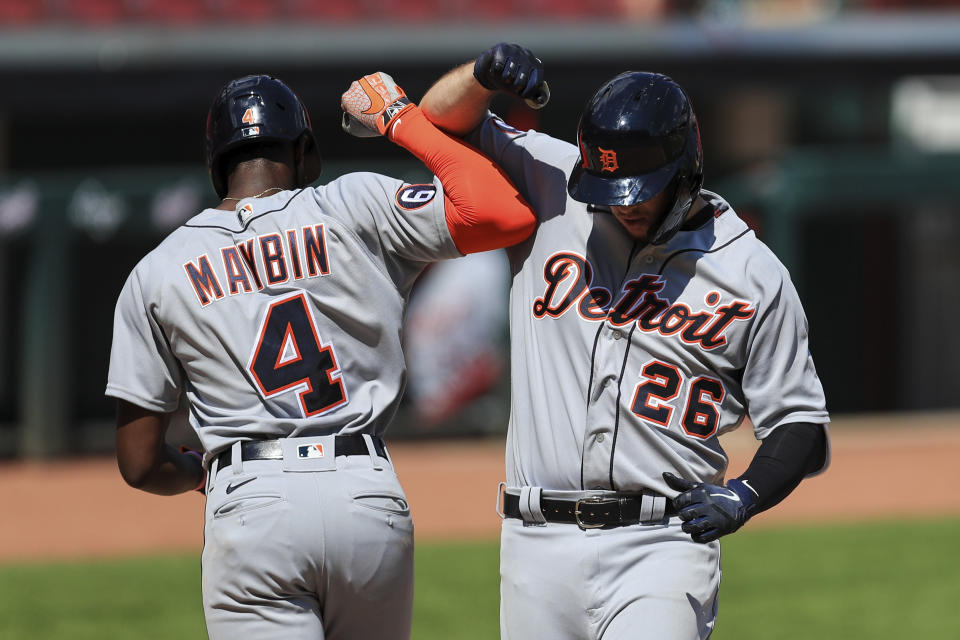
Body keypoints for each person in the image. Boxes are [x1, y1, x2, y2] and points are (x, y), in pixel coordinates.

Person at [419, 43, 831, 639]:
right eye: (610, 187)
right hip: (535, 541)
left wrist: (745, 494)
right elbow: (439, 120)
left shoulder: (752, 273)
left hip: (660, 544)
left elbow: (800, 425)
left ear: (686, 167)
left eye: (640, 189)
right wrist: (481, 78)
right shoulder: (554, 182)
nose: (625, 206)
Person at [105, 72, 536, 640]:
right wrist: (399, 119)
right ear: (305, 152)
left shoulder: (156, 271)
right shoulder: (352, 204)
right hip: (364, 490)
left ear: (217, 165)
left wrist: (195, 474)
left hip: (250, 496)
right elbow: (504, 213)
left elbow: (139, 464)